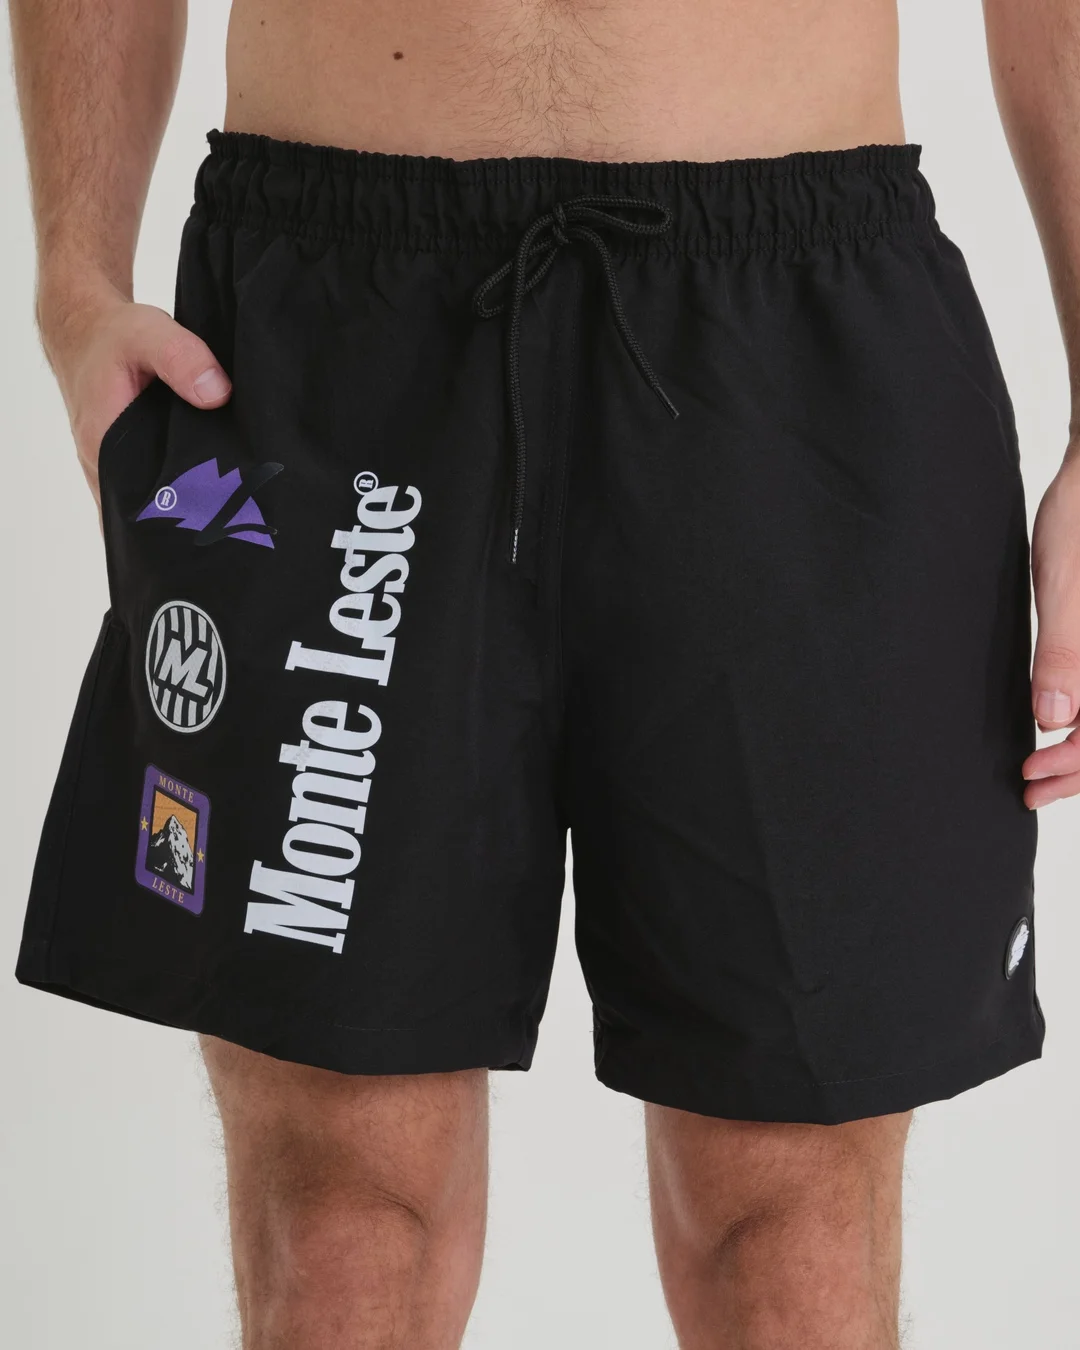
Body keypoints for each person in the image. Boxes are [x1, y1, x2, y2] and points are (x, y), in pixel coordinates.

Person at [8, 0, 1077, 1345]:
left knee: (793, 1234)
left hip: (800, 340)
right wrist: (75, 275)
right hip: (332, 326)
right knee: (339, 1228)